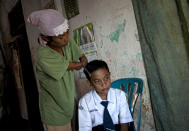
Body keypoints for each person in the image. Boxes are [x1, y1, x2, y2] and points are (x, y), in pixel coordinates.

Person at [27, 9, 88, 131]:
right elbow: (70, 65)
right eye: (60, 37)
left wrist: (83, 58)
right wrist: (80, 64)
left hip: (68, 105)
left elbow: (80, 55)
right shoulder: (43, 54)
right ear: (46, 37)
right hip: (54, 111)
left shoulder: (66, 41)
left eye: (67, 33)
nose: (65, 38)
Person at [78, 60, 133, 131]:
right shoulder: (85, 102)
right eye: (97, 81)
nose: (103, 84)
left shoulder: (120, 95)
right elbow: (85, 128)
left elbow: (124, 124)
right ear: (90, 83)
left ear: (109, 75)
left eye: (106, 78)